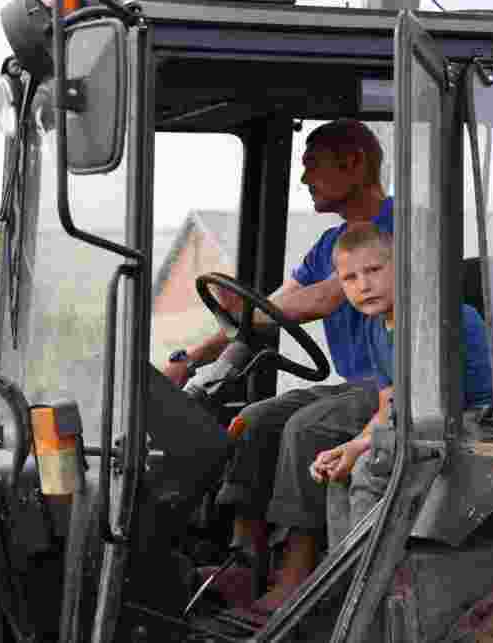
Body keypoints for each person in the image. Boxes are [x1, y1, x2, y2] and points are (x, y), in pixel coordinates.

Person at [163, 120, 393, 605]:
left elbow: (324, 298)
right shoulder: (328, 245)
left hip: (403, 385)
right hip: (355, 384)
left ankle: (296, 579)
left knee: (307, 427)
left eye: (312, 165)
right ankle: (246, 562)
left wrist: (246, 309)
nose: (304, 179)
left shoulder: (395, 230)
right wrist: (190, 360)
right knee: (255, 420)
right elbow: (271, 306)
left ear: (353, 163)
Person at [250, 223, 492, 614]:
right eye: (350, 278)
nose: (363, 285)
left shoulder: (432, 319)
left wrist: (365, 447)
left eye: (374, 271)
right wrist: (349, 446)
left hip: (473, 417)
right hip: (422, 418)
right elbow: (387, 407)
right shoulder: (377, 329)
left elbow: (424, 406)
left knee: (369, 468)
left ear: (400, 267)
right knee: (340, 472)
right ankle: (343, 583)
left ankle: (368, 593)